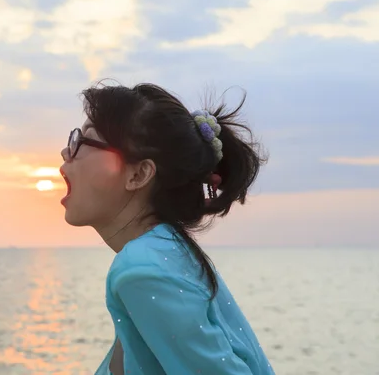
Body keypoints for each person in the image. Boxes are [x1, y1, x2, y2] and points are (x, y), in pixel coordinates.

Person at [59, 81, 275, 374]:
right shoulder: (165, 251)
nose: (65, 153)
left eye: (84, 142)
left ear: (138, 174)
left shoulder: (143, 269)